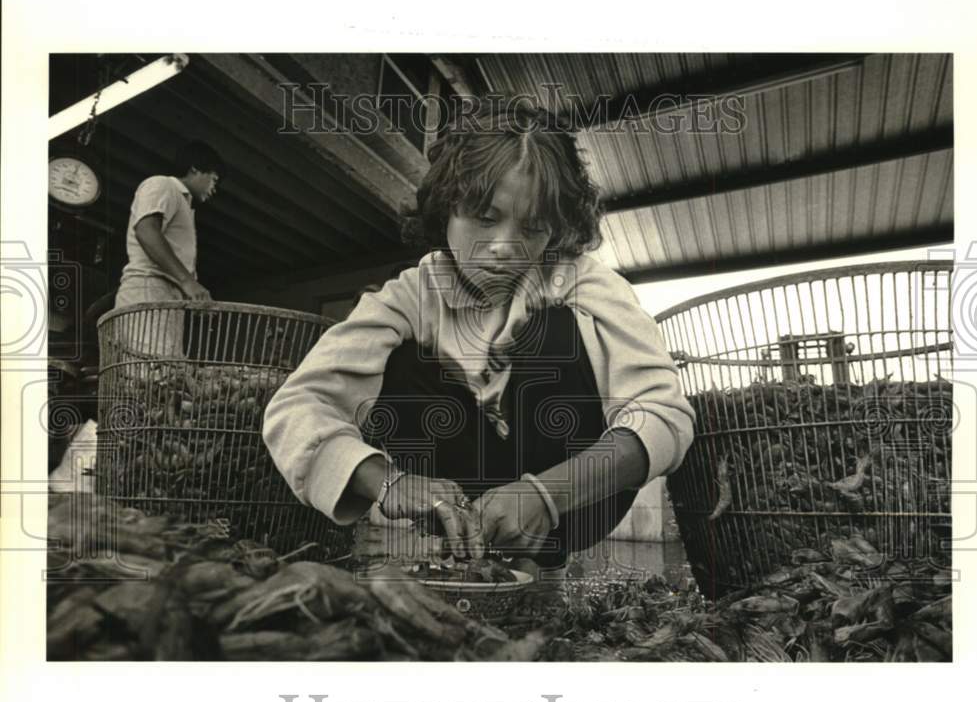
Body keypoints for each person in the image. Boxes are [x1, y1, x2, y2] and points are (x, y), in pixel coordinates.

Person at [263, 100, 696, 574]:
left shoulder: (584, 283)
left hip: (569, 503)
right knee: (402, 355)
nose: (505, 248)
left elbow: (663, 414)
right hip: (452, 501)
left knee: (555, 329)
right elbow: (297, 406)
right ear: (447, 207)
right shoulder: (411, 295)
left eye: (532, 227)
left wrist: (544, 494)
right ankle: (468, 549)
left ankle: (536, 561)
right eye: (485, 218)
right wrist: (388, 481)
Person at [112, 141, 224, 356]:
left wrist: (191, 294)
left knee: (167, 376)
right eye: (214, 179)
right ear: (195, 169)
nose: (214, 188)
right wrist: (189, 283)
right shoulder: (163, 185)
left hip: (165, 299)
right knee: (153, 375)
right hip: (149, 289)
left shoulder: (184, 204)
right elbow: (146, 230)